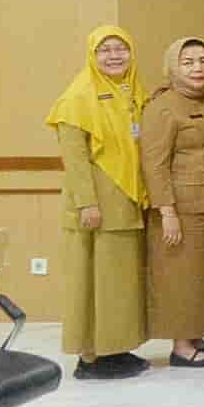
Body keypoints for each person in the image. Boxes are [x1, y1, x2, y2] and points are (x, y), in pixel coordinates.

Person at [47, 26, 150, 380]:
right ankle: (90, 358)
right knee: (92, 283)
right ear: (92, 55)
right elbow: (75, 160)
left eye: (121, 48)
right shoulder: (77, 97)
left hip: (126, 204)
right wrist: (87, 204)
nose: (114, 56)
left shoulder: (132, 91)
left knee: (118, 284)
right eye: (105, 50)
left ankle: (114, 349)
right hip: (97, 208)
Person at [140, 37, 204, 368]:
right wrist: (167, 212)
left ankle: (197, 335)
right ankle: (181, 346)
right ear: (172, 67)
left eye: (203, 60)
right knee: (181, 277)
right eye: (188, 62)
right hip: (181, 208)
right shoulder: (162, 107)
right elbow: (154, 164)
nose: (197, 68)